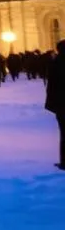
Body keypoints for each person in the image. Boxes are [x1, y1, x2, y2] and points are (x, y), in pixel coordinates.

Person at [46, 39, 65, 170]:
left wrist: (51, 104)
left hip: (62, 104)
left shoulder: (56, 63)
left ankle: (64, 162)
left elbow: (51, 86)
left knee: (64, 134)